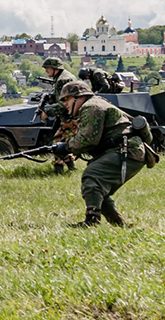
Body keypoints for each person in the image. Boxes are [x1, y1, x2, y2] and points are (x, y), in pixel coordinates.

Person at [52, 80, 148, 227]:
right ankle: (119, 225)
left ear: (80, 97)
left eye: (67, 99)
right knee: (99, 188)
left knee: (92, 176)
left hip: (126, 151)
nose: (64, 103)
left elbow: (87, 139)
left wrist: (66, 147)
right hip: (129, 151)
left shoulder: (91, 107)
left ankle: (92, 221)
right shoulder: (96, 104)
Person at [40, 57, 79, 173]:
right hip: (73, 116)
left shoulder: (62, 81)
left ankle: (58, 171)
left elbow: (63, 105)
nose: (46, 70)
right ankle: (72, 168)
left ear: (55, 68)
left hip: (69, 118)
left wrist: (47, 112)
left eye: (47, 68)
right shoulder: (68, 76)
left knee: (57, 144)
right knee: (63, 143)